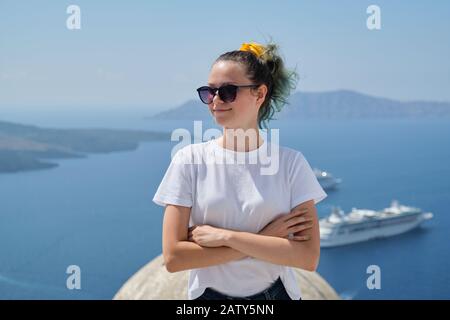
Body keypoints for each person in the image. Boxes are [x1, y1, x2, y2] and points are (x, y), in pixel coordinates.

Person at [152, 41, 327, 300]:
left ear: (259, 94)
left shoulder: (291, 165)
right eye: (209, 92)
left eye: (228, 91)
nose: (216, 101)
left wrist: (225, 237)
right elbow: (174, 258)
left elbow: (307, 258)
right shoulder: (188, 160)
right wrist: (266, 238)